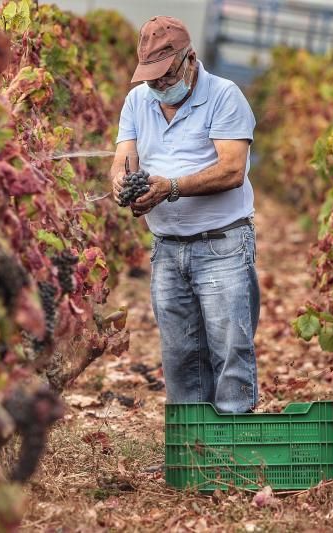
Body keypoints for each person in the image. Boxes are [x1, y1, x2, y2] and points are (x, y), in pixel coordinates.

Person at [110, 16, 260, 413]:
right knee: (179, 358)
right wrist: (122, 185)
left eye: (165, 75)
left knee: (230, 353)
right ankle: (194, 455)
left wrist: (170, 188)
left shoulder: (225, 96)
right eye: (150, 78)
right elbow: (123, 158)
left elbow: (232, 169)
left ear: (189, 59)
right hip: (167, 250)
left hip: (222, 245)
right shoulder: (138, 101)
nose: (158, 85)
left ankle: (231, 456)